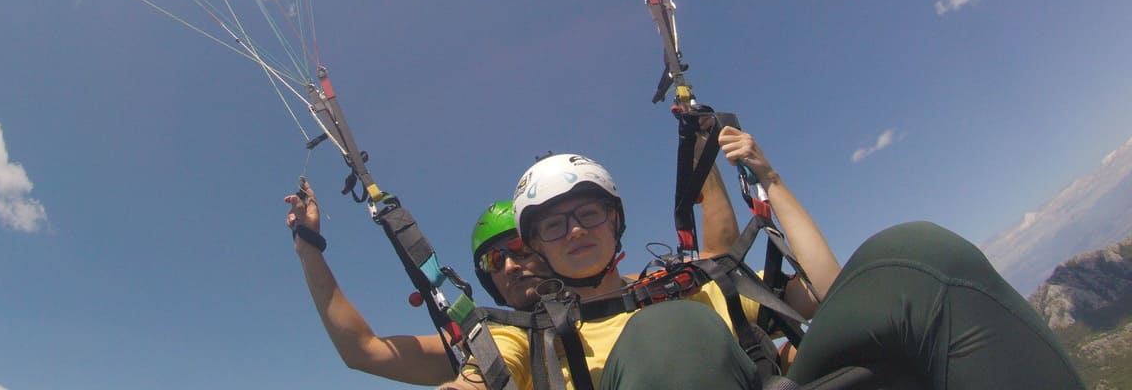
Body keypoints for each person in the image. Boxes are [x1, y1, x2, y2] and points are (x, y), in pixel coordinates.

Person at [450, 127, 1085, 390]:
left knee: (917, 256)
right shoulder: (526, 341)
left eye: (588, 212)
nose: (576, 230)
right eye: (555, 224)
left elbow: (835, 293)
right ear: (535, 249)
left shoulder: (690, 282)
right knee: (671, 333)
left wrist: (768, 176)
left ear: (616, 221)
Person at [285, 164, 743, 386]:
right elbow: (365, 351)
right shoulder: (503, 340)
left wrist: (704, 159)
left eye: (518, 249)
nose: (507, 266)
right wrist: (310, 249)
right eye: (491, 261)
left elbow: (722, 263)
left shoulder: (662, 295)